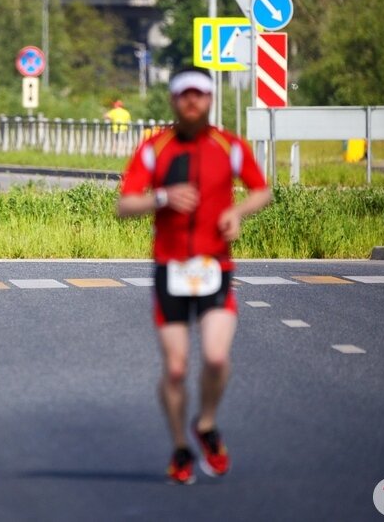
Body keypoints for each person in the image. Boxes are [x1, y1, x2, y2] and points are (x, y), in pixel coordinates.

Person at [116, 66, 271, 485]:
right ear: (173, 100)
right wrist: (162, 197)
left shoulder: (230, 145)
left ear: (210, 100)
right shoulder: (154, 148)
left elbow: (263, 189)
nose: (192, 102)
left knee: (217, 357)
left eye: (200, 95)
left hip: (215, 268)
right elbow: (124, 204)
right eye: (184, 95)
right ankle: (180, 446)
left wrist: (236, 212)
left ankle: (205, 424)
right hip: (171, 269)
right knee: (178, 369)